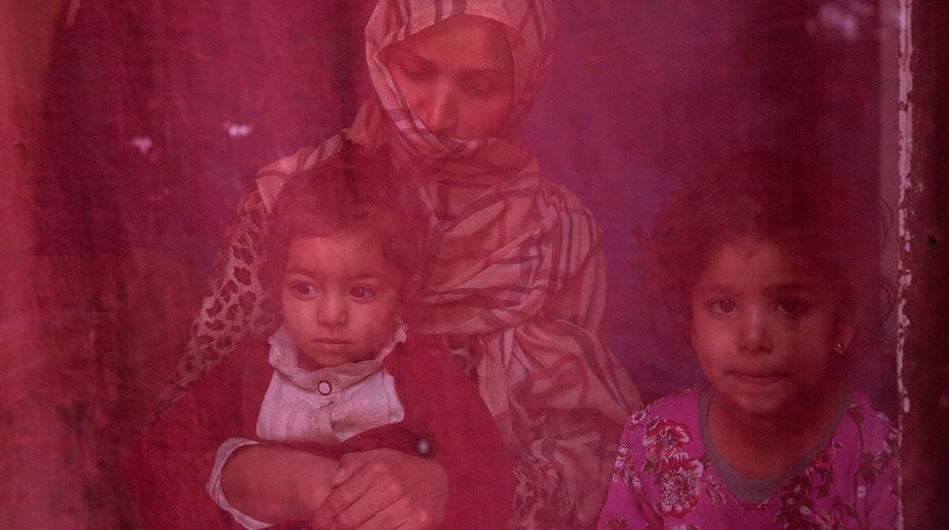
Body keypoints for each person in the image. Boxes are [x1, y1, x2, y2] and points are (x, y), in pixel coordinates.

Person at [157, 1, 641, 526]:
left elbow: (588, 458)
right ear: (380, 55)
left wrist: (450, 488)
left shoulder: (558, 237)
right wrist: (253, 472)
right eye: (415, 72)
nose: (436, 116)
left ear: (525, 85)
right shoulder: (290, 198)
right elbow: (183, 429)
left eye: (478, 87)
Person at [128, 146, 514, 529]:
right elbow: (155, 466)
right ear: (277, 283)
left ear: (404, 290)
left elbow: (489, 483)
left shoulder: (426, 371)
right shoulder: (244, 374)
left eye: (360, 292)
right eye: (305, 289)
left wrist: (438, 489)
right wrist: (237, 471)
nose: (331, 316)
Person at [597, 155, 899, 529]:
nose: (753, 338)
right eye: (724, 306)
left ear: (842, 325)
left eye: (789, 306)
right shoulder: (653, 442)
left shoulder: (875, 454)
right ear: (690, 322)